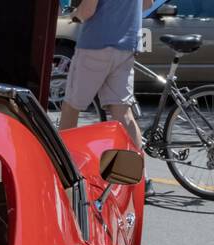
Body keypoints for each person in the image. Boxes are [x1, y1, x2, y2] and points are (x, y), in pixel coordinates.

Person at [59, 0, 155, 148]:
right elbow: (148, 4)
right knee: (123, 113)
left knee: (71, 107)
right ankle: (137, 169)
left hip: (95, 45)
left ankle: (63, 166)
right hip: (127, 46)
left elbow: (87, 11)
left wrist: (73, 15)